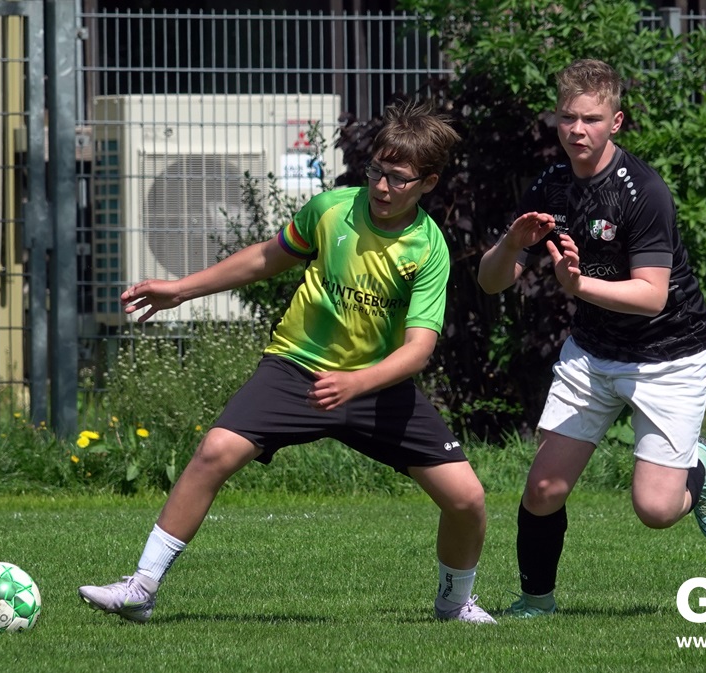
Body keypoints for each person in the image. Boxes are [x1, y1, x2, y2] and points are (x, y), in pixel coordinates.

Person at [78, 100, 496, 624]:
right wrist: (180, 290)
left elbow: (418, 349)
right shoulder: (331, 210)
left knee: (467, 499)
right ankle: (140, 588)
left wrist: (356, 383)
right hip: (296, 367)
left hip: (375, 385)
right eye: (376, 171)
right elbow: (265, 257)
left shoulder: (428, 248)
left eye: (398, 178)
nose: (382, 187)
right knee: (215, 451)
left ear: (428, 183)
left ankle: (454, 605)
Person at [477, 59, 706, 618]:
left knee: (656, 510)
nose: (577, 130)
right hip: (593, 352)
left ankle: (697, 467)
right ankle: (536, 602)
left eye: (591, 119)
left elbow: (652, 296)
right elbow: (491, 282)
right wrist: (510, 244)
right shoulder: (550, 185)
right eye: (568, 117)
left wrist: (578, 286)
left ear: (615, 122)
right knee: (543, 489)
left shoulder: (644, 191)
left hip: (670, 354)